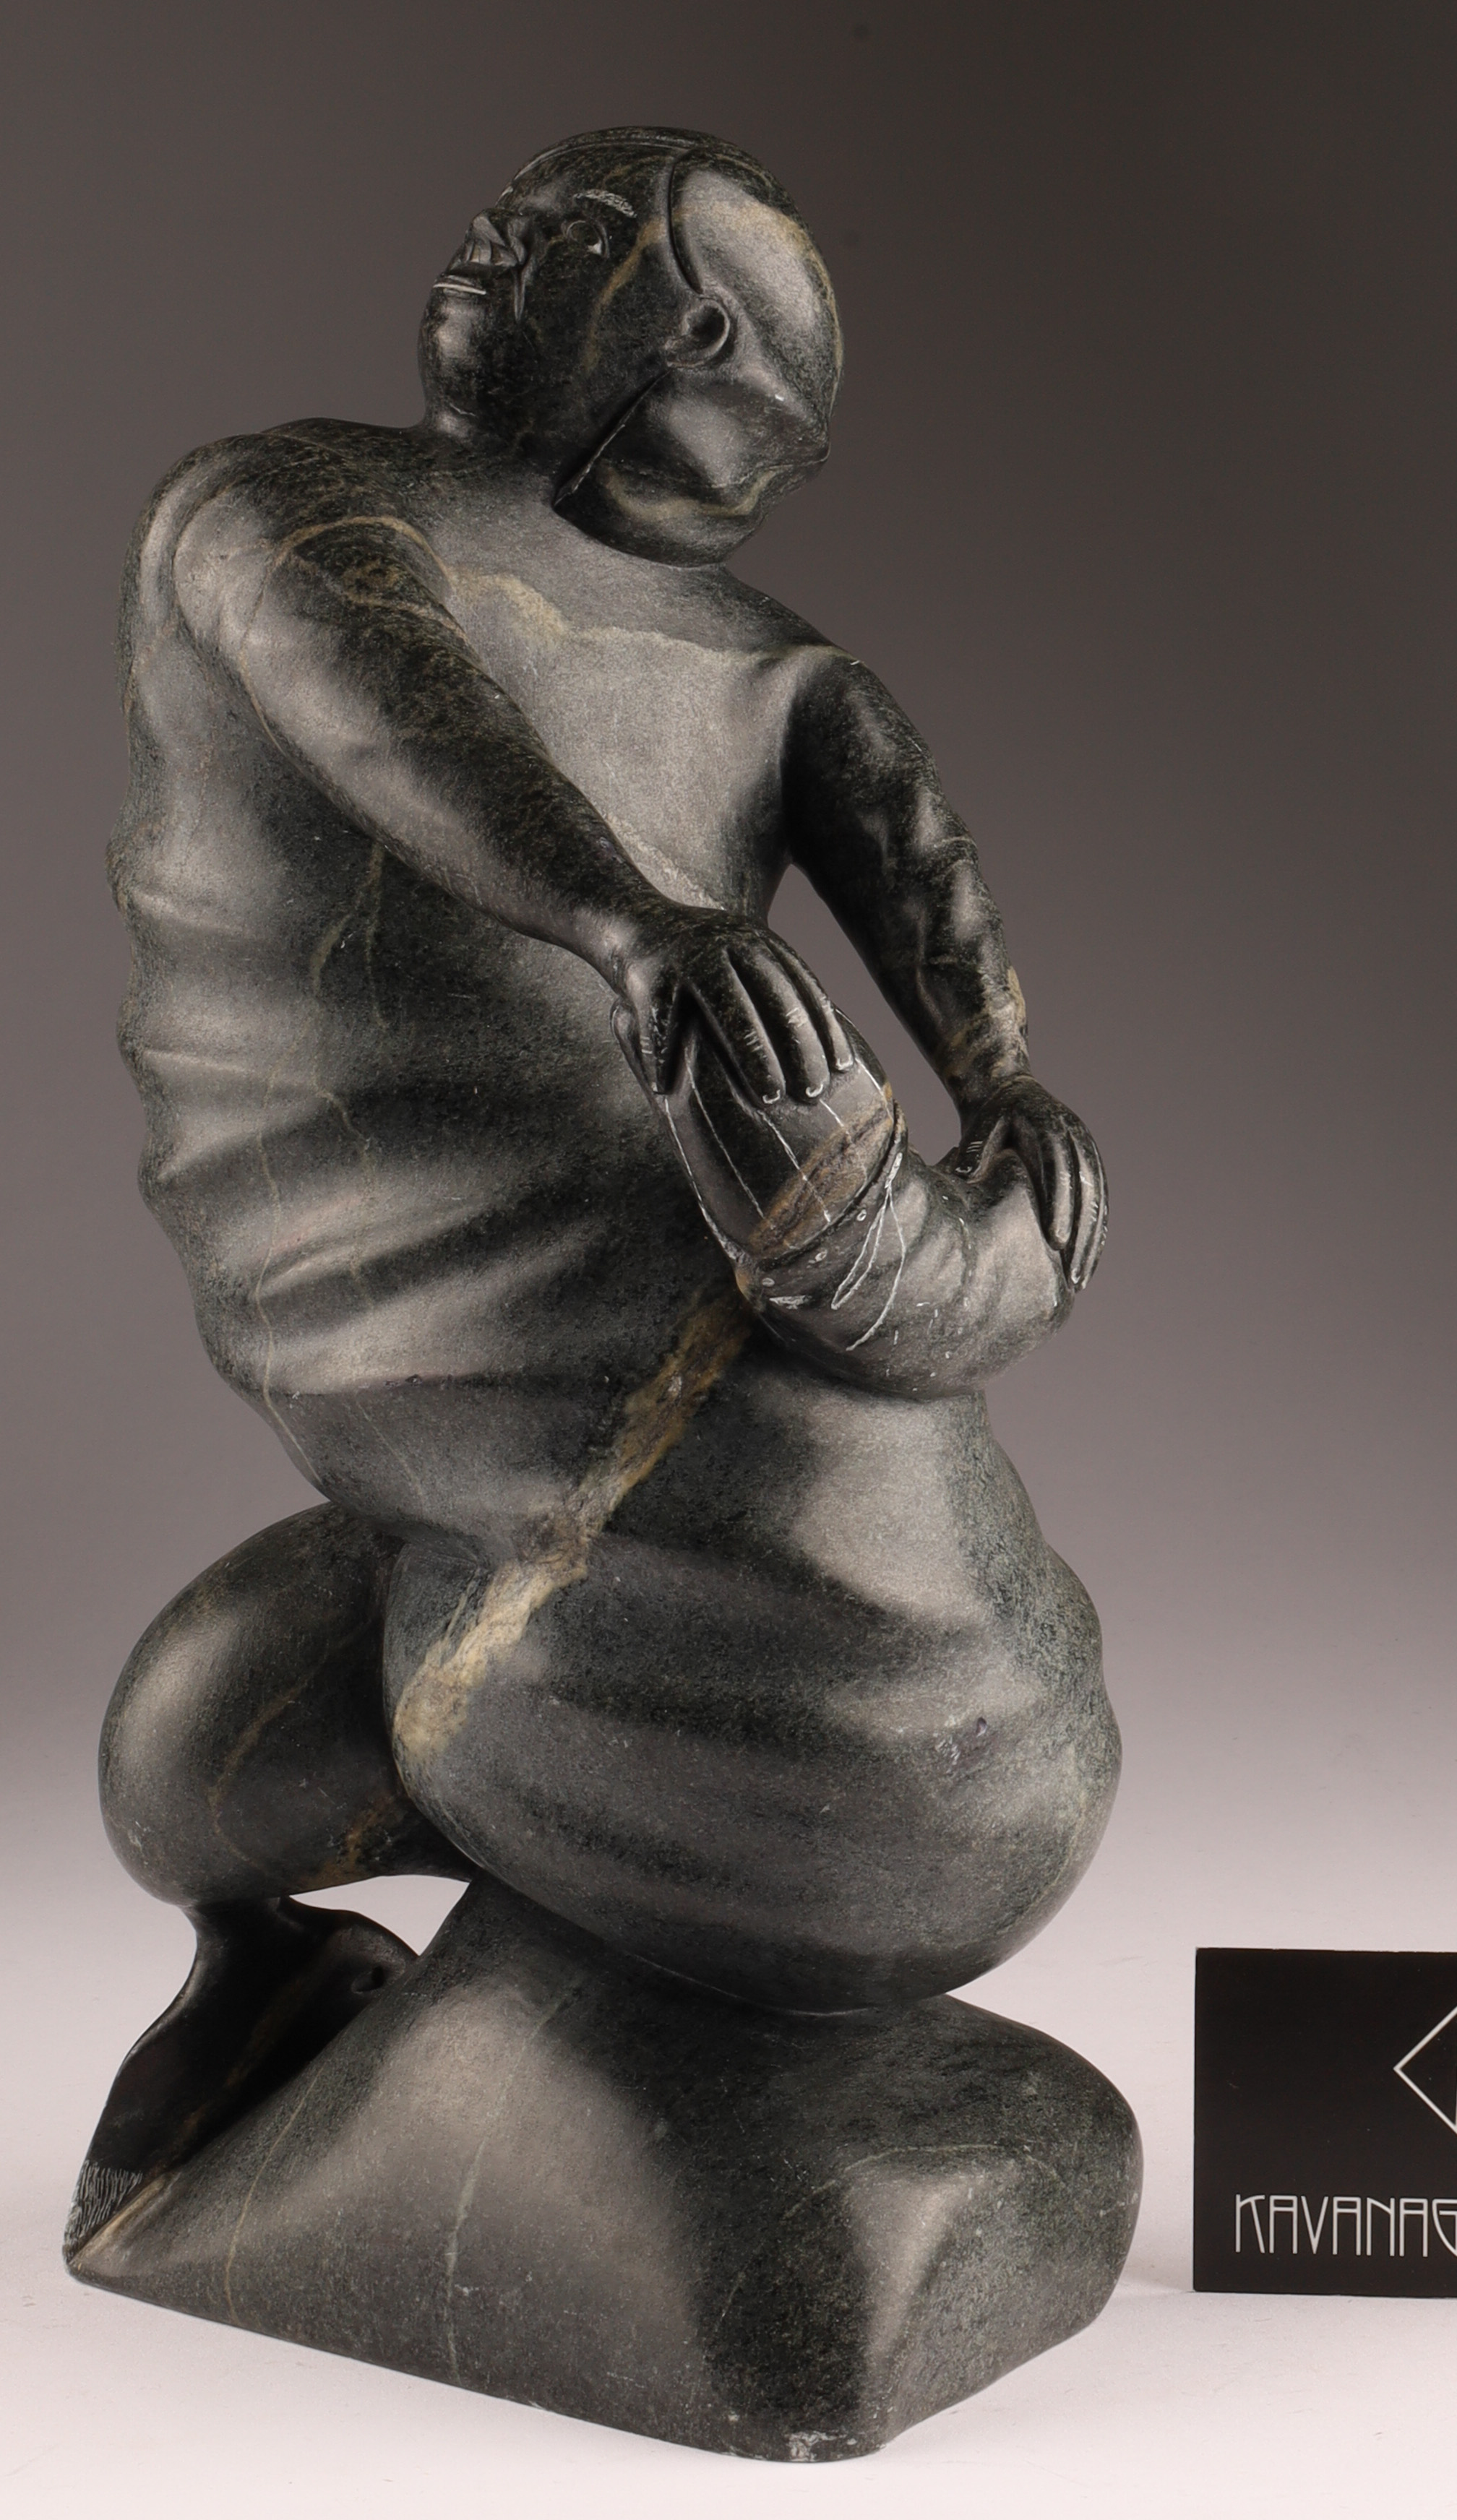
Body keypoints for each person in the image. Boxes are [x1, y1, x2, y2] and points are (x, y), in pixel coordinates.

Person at [75, 129, 1116, 2250]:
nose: (490, 239)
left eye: (565, 235)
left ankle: (606, 2056)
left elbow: (913, 865)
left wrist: (1005, 1089)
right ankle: (357, 1994)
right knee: (192, 1757)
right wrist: (634, 922)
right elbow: (387, 696)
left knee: (286, 1740)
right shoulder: (280, 513)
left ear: (696, 335)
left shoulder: (773, 673)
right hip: (517, 1476)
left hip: (755, 1589)